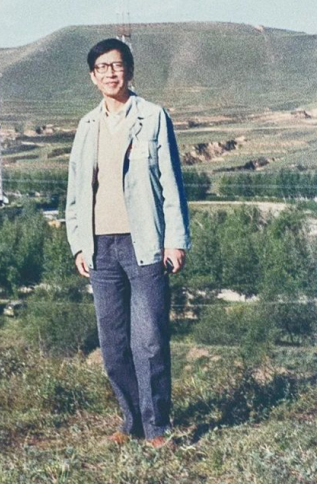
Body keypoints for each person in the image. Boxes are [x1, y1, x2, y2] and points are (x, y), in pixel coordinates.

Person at [65, 38, 190, 448]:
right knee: (113, 345)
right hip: (100, 249)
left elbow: (171, 183)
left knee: (149, 341)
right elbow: (75, 191)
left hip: (146, 244)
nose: (110, 73)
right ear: (92, 77)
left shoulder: (153, 117)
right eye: (101, 68)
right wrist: (79, 244)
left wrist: (175, 240)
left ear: (130, 71)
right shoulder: (87, 126)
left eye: (116, 65)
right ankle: (131, 420)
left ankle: (156, 429)